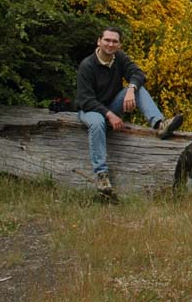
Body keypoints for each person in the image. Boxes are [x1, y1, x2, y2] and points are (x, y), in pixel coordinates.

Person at [75, 26, 183, 195]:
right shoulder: (87, 66)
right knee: (96, 122)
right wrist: (109, 115)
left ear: (119, 45)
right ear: (99, 41)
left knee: (138, 88)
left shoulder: (119, 58)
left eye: (114, 41)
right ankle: (101, 175)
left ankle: (160, 124)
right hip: (91, 110)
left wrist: (131, 88)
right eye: (107, 40)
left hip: (112, 105)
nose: (110, 44)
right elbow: (86, 100)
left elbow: (138, 73)